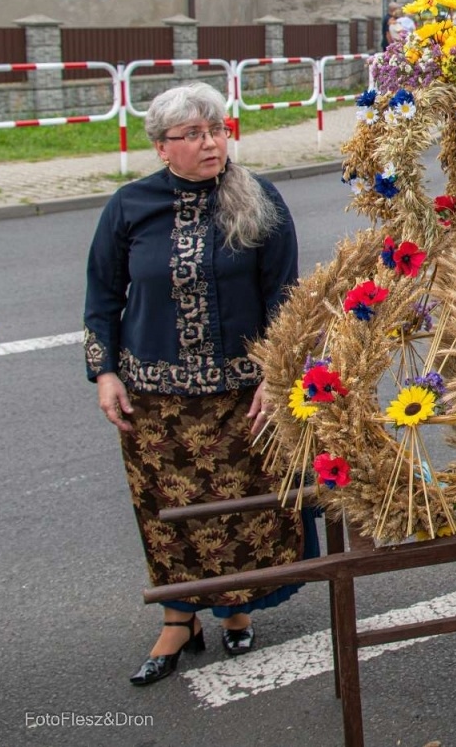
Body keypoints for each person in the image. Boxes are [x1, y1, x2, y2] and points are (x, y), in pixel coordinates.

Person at [84, 82, 307, 686]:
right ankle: (179, 618)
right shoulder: (129, 207)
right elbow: (102, 297)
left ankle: (235, 609)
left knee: (238, 514)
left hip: (240, 397)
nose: (210, 143)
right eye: (194, 135)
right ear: (162, 148)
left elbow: (285, 299)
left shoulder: (259, 199)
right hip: (153, 404)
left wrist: (276, 374)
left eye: (217, 130)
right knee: (170, 516)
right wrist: (105, 372)